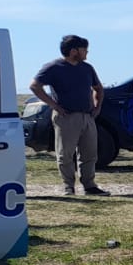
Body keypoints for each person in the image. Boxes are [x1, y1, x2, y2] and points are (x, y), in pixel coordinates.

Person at [30, 34, 108, 195]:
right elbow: (35, 86)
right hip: (66, 117)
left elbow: (98, 88)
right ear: (73, 51)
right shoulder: (53, 67)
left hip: (87, 116)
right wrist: (53, 105)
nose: (86, 53)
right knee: (65, 153)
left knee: (90, 153)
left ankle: (89, 185)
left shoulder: (87, 68)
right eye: (84, 50)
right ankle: (68, 186)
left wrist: (97, 106)